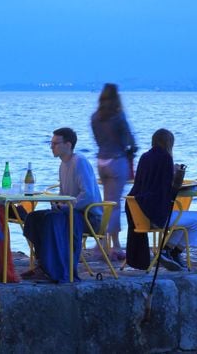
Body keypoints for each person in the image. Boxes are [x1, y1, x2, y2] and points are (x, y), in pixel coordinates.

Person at [23, 127, 101, 282]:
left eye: (55, 143)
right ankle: (43, 265)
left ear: (68, 144)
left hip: (88, 216)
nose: (52, 147)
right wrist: (58, 203)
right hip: (71, 212)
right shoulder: (63, 165)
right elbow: (66, 194)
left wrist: (66, 207)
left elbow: (88, 195)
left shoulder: (79, 162)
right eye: (51, 144)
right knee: (34, 218)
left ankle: (55, 269)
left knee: (52, 220)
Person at [124, 128, 197, 271]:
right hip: (156, 215)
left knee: (183, 222)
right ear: (169, 144)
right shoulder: (165, 158)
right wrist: (177, 175)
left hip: (139, 214)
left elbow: (152, 184)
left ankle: (169, 251)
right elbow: (167, 193)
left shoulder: (144, 157)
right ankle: (171, 251)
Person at [90, 83, 136, 261]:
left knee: (107, 203)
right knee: (114, 205)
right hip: (117, 160)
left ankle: (109, 243)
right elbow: (129, 139)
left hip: (101, 160)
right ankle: (107, 245)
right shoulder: (118, 116)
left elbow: (97, 140)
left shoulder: (95, 117)